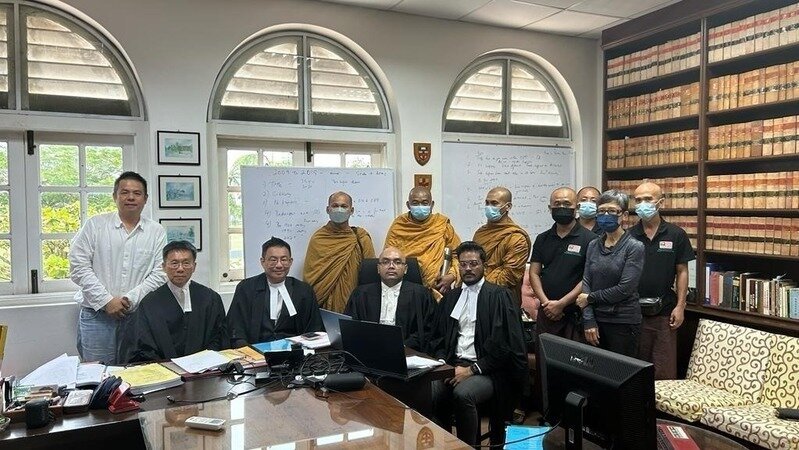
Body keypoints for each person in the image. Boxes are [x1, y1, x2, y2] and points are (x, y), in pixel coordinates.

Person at [430, 241, 528, 446]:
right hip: (453, 364)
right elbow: (438, 337)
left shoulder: (500, 296)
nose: (468, 268)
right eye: (463, 264)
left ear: (484, 265)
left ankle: (467, 446)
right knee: (432, 390)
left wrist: (472, 370)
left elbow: (505, 346)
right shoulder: (451, 298)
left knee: (463, 394)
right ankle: (445, 443)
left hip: (489, 370)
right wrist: (443, 364)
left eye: (473, 263)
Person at [69, 171, 166, 364]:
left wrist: (130, 299)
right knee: (97, 374)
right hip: (97, 316)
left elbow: (160, 273)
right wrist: (106, 301)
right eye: (125, 192)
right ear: (115, 196)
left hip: (137, 315)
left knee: (136, 371)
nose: (131, 197)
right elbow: (79, 266)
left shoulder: (156, 231)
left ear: (145, 199)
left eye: (137, 193)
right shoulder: (95, 225)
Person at [630, 182, 694, 380]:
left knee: (663, 368)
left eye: (648, 199)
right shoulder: (628, 236)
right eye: (638, 200)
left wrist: (680, 306)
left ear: (661, 202)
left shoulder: (676, 234)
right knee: (635, 369)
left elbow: (682, 271)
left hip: (665, 312)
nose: (643, 204)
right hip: (633, 312)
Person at [125, 241, 228, 362]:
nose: (180, 269)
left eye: (186, 263)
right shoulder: (149, 303)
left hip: (205, 367)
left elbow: (218, 338)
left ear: (194, 266)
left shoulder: (210, 298)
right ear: (164, 267)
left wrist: (204, 361)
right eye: (174, 263)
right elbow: (144, 345)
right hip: (163, 368)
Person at [577, 190, 644, 358]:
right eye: (601, 211)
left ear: (624, 215)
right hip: (595, 320)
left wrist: (590, 298)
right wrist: (589, 319)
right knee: (593, 369)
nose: (606, 215)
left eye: (612, 211)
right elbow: (586, 281)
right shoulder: (593, 244)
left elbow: (624, 289)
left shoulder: (634, 247)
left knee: (620, 370)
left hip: (623, 322)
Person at [226, 237, 323, 348]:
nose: (279, 265)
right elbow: (236, 327)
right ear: (263, 262)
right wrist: (247, 351)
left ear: (290, 262)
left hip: (294, 352)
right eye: (273, 260)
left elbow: (314, 328)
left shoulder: (303, 291)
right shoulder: (246, 288)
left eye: (284, 260)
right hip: (255, 352)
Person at [530, 187, 596, 342]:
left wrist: (561, 304)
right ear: (550, 208)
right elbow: (534, 273)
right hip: (546, 312)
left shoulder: (591, 239)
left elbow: (588, 277)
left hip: (574, 313)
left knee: (572, 357)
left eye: (567, 204)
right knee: (544, 356)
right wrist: (547, 304)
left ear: (577, 207)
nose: (561, 207)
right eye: (557, 204)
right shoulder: (542, 238)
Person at [343, 246, 436, 352]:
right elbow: (350, 327)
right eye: (385, 262)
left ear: (405, 269)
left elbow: (428, 330)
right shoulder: (360, 294)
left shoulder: (421, 294)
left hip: (408, 352)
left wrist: (402, 346)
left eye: (397, 262)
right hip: (367, 350)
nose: (391, 266)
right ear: (378, 268)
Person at [304, 191, 375, 312]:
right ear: (328, 209)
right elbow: (311, 277)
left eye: (344, 206)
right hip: (323, 306)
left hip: (354, 304)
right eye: (335, 206)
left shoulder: (361, 238)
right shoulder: (318, 238)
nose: (339, 209)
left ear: (351, 210)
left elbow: (370, 275)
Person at [384, 187, 461, 299]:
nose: (420, 206)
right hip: (404, 290)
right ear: (408, 205)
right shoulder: (399, 225)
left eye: (425, 203)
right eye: (415, 203)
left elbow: (457, 255)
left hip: (436, 290)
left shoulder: (442, 225)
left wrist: (451, 275)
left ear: (432, 204)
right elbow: (388, 256)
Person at [472, 187, 531, 305]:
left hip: (502, 300)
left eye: (494, 203)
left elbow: (509, 275)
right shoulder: (480, 233)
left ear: (508, 206)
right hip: (474, 295)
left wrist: (480, 289)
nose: (489, 207)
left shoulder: (516, 238)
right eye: (487, 203)